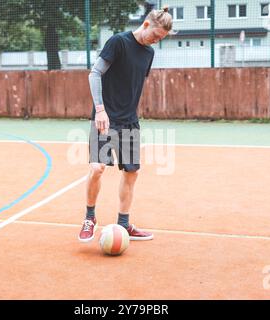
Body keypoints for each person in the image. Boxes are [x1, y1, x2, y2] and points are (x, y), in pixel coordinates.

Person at [78, 6, 174, 242]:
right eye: (155, 36)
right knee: (97, 168)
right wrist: (100, 110)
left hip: (129, 122)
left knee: (132, 172)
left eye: (160, 39)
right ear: (145, 25)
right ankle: (89, 217)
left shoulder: (149, 54)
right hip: (104, 118)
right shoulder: (118, 43)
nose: (155, 41)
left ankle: (124, 224)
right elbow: (95, 74)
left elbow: (132, 83)